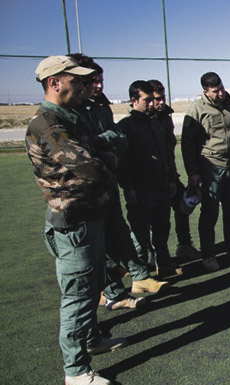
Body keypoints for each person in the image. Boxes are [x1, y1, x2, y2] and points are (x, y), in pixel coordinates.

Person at [26, 55, 126, 385]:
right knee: (78, 296)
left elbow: (91, 149)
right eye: (77, 81)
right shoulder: (47, 125)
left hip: (89, 217)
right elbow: (91, 169)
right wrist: (111, 155)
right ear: (55, 83)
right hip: (73, 223)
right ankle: (76, 370)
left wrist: (104, 145)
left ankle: (92, 338)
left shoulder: (70, 119)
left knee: (92, 284)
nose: (85, 87)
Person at [69, 54, 167, 311]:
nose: (98, 86)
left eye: (100, 80)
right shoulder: (73, 111)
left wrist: (104, 143)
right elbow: (86, 148)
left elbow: (118, 141)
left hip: (107, 182)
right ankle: (107, 292)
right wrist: (106, 144)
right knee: (98, 247)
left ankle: (124, 286)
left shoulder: (101, 107)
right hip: (84, 192)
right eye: (93, 81)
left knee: (118, 237)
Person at [181, 72, 230, 272]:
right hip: (210, 168)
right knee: (209, 213)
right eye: (215, 91)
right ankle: (209, 255)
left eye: (221, 88)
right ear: (205, 92)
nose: (220, 93)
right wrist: (193, 172)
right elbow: (187, 144)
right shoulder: (196, 110)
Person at [118, 80, 181, 277]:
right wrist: (128, 187)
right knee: (140, 233)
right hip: (141, 189)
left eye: (153, 100)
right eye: (147, 100)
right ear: (133, 100)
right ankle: (140, 273)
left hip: (161, 186)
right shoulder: (126, 126)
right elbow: (123, 161)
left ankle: (163, 264)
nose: (152, 104)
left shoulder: (156, 124)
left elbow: (166, 155)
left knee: (162, 229)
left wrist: (171, 179)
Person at [150, 79, 200, 262]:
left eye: (163, 97)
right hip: (152, 180)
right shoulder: (143, 122)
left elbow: (169, 152)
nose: (161, 102)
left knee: (183, 207)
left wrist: (172, 177)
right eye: (157, 99)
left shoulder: (165, 118)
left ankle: (184, 246)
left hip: (170, 175)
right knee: (155, 220)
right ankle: (156, 257)